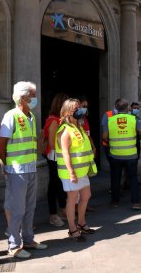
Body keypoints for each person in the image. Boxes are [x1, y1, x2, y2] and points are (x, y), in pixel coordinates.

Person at [0, 81, 47, 259]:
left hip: (31, 168)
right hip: (16, 170)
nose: (35, 98)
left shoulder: (31, 117)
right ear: (23, 97)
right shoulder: (11, 116)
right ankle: (14, 245)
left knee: (30, 207)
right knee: (17, 209)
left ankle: (28, 239)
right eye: (32, 95)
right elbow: (0, 144)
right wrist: (5, 164)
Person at [56, 98, 97, 242]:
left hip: (82, 171)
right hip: (71, 173)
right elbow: (65, 153)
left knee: (86, 196)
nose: (80, 110)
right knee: (72, 200)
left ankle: (81, 222)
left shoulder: (78, 127)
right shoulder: (65, 129)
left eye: (79, 107)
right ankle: (72, 229)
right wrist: (72, 172)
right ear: (67, 112)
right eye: (76, 108)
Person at [102, 98, 141, 209]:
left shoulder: (111, 120)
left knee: (115, 178)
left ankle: (115, 202)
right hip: (131, 155)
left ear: (116, 108)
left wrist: (113, 142)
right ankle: (136, 202)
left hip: (115, 154)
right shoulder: (133, 119)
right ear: (128, 108)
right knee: (132, 178)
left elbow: (104, 136)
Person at [43, 93, 69, 227]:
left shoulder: (60, 120)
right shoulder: (53, 120)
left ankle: (62, 211)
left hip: (60, 157)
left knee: (60, 185)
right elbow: (53, 143)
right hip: (55, 157)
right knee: (54, 185)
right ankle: (53, 215)